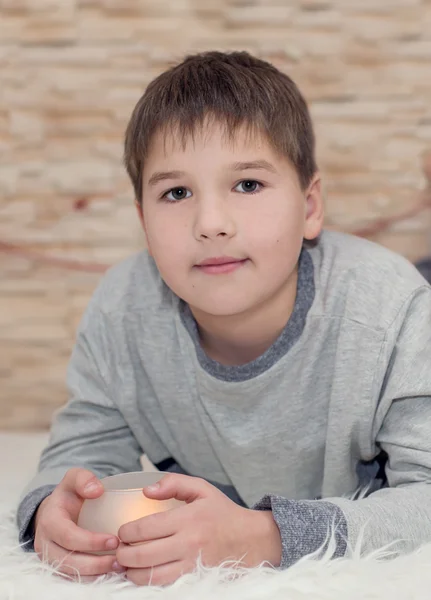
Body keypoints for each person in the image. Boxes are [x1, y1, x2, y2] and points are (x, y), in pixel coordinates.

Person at [17, 50, 431, 588]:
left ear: (309, 207)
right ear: (142, 221)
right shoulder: (123, 311)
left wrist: (265, 538)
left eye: (248, 185)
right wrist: (53, 508)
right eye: (177, 193)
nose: (211, 223)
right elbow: (85, 446)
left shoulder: (390, 310)